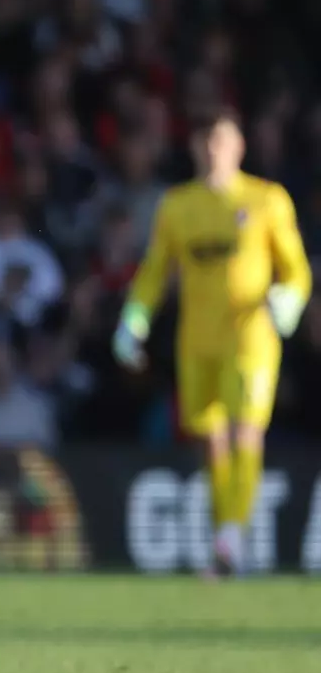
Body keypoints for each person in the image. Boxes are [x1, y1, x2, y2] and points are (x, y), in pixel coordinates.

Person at [113, 109, 311, 575]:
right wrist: (134, 318)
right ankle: (227, 536)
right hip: (197, 340)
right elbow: (155, 271)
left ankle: (231, 535)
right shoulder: (178, 206)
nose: (212, 150)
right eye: (205, 141)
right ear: (193, 147)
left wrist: (288, 300)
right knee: (212, 439)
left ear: (239, 146)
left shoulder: (266, 200)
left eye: (220, 140)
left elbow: (297, 270)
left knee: (246, 430)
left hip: (250, 337)